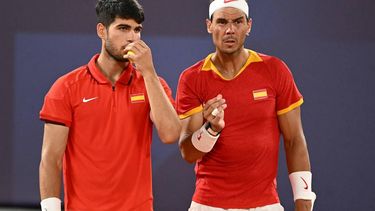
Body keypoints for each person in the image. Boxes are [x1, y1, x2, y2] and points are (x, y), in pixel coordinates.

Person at [39, 0, 181, 210]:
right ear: (102, 30)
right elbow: (51, 159)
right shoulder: (66, 87)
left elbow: (170, 134)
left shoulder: (153, 85)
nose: (132, 37)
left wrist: (149, 72)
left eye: (137, 29)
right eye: (123, 28)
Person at [176, 0, 316, 210]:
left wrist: (303, 201)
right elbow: (188, 153)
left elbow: (294, 140)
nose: (230, 30)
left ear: (248, 26)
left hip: (265, 203)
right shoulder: (192, 78)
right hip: (208, 204)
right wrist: (210, 130)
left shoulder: (275, 70)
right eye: (221, 22)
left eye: (238, 22)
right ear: (209, 26)